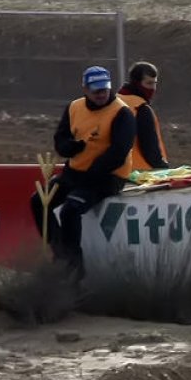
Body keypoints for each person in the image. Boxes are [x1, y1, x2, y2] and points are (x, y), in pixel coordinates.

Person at [29, 65, 134, 279]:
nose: (101, 94)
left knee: (70, 210)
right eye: (96, 90)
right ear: (85, 89)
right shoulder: (74, 107)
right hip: (75, 173)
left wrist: (93, 171)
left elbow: (119, 152)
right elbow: (61, 139)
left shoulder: (122, 113)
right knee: (39, 201)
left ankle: (75, 270)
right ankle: (60, 254)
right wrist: (69, 147)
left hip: (106, 177)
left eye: (104, 89)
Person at [117, 61, 169, 171]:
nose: (153, 88)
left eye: (154, 83)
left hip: (116, 171)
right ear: (137, 83)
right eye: (149, 83)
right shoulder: (140, 108)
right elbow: (149, 146)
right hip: (142, 172)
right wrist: (162, 167)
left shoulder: (114, 102)